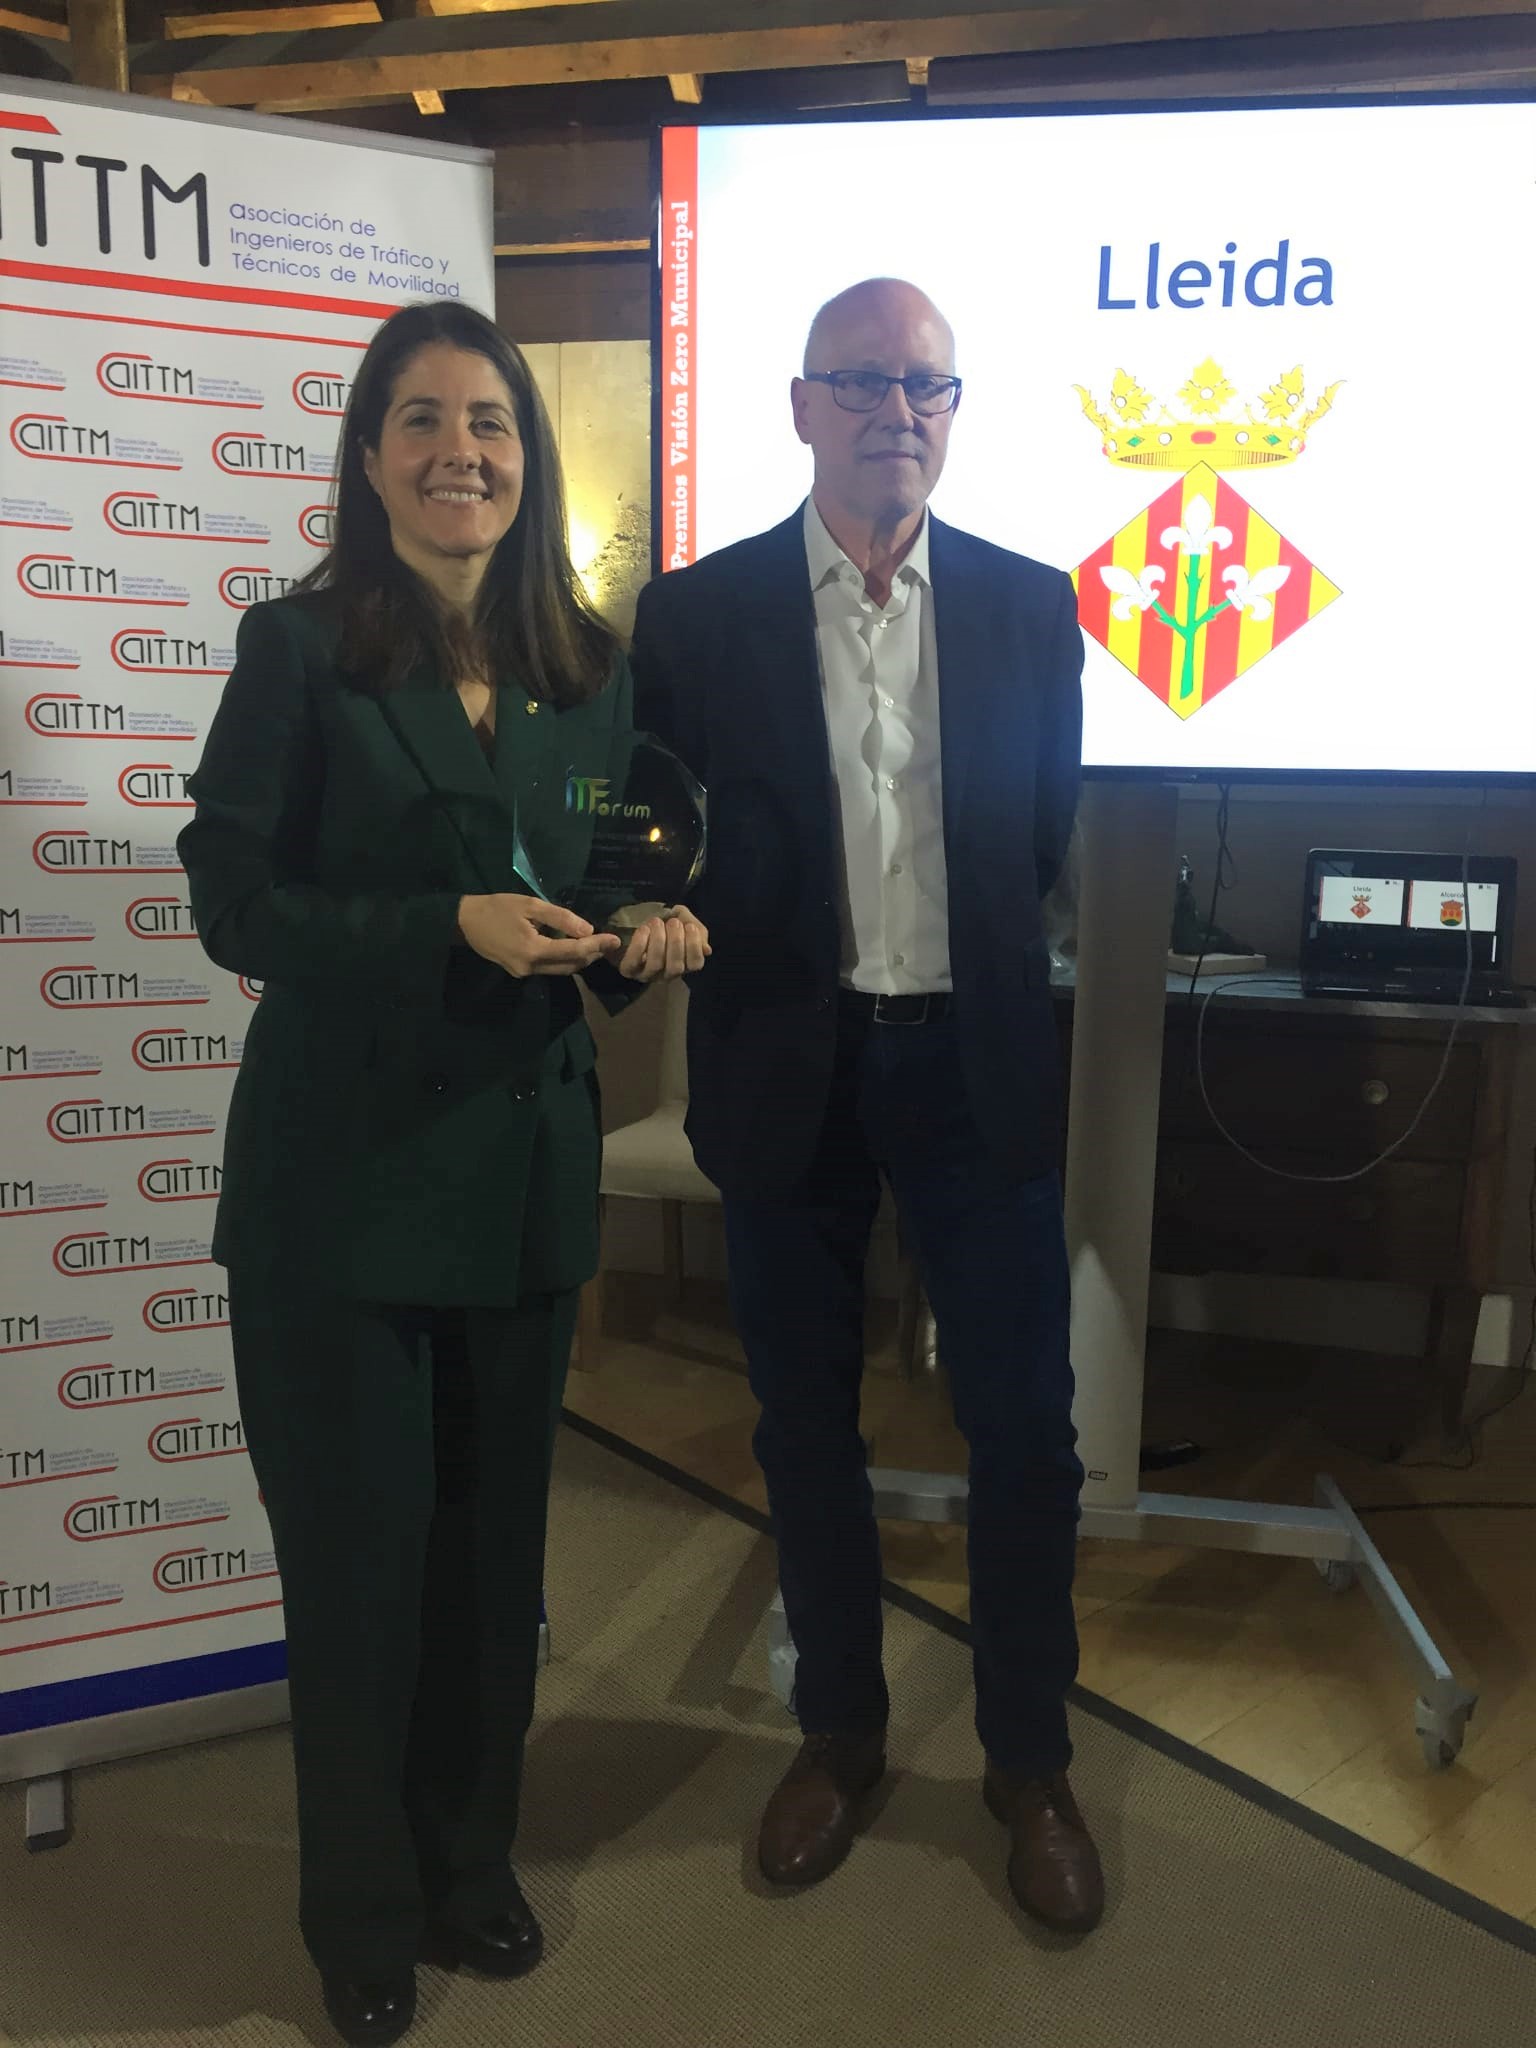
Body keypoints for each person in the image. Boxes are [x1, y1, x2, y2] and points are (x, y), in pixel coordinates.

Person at [179, 300, 707, 2048]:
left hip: (524, 1186)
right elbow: (235, 903)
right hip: (340, 1197)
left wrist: (644, 926)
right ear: (369, 454)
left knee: (492, 1572)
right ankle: (360, 1916)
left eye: (488, 422)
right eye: (420, 419)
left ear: (527, 460)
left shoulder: (587, 669)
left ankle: (471, 1868)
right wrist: (439, 928)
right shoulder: (296, 650)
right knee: (360, 1575)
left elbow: (591, 877)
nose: (458, 451)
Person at [628, 278, 1102, 1935]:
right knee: (804, 1428)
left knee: (1026, 1433)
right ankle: (839, 1735)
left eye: (927, 386)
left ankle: (1031, 1764)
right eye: (863, 382)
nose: (898, 411)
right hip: (788, 1064)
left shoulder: (1035, 608)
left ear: (952, 413)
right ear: (801, 407)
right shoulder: (696, 618)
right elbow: (661, 837)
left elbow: (1035, 841)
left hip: (975, 1069)